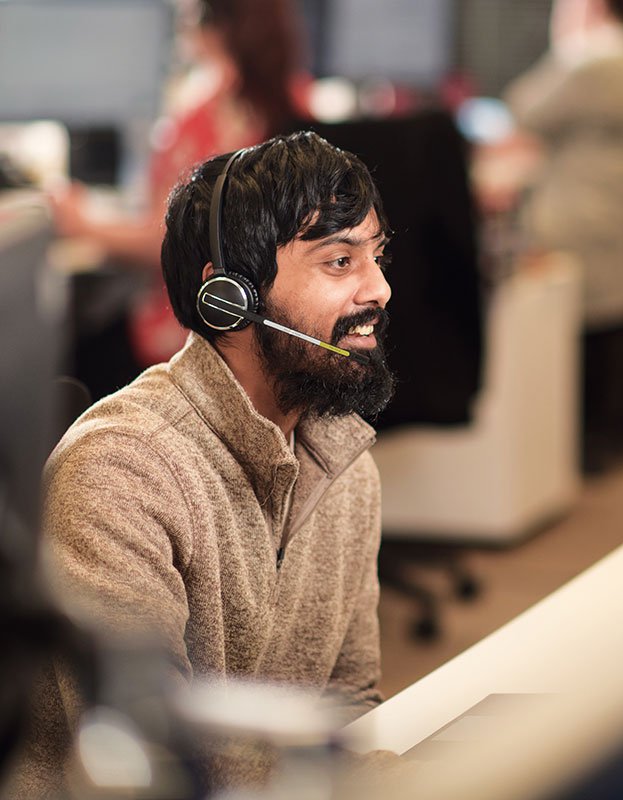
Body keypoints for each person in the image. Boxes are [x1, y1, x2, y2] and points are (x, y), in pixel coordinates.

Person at [12, 131, 396, 795]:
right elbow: (143, 758)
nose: (380, 289)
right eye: (339, 261)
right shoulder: (123, 470)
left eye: (376, 257)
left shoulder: (346, 465)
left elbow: (350, 703)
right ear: (230, 300)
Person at [50, 0, 310, 396]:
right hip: (265, 328)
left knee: (73, 353)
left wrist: (82, 224)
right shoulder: (296, 103)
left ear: (213, 27)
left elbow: (166, 242)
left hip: (193, 334)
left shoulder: (203, 116)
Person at [500, 0, 623, 465]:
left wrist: (567, 38)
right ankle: (610, 426)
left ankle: (559, 438)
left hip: (572, 218)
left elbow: (522, 107)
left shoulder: (599, 63)